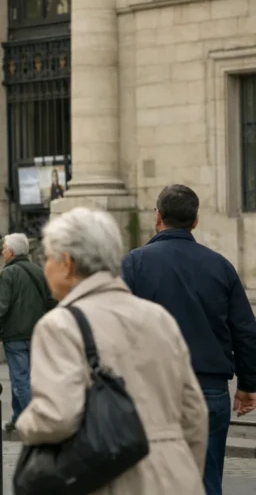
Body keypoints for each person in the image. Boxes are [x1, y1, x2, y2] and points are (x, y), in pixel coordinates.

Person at [17, 207, 208, 494]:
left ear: (67, 263)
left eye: (48, 258)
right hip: (177, 478)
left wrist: (25, 424)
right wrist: (181, 467)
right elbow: (194, 412)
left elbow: (58, 416)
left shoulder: (60, 324)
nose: (45, 268)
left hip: (114, 479)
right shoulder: (158, 317)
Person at [122, 184, 256, 495]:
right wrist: (248, 385)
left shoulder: (135, 263)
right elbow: (246, 331)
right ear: (195, 221)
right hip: (209, 388)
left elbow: (117, 326)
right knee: (207, 480)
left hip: (152, 387)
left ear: (158, 217)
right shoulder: (221, 266)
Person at [0, 233, 56, 433]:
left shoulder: (8, 274)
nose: (2, 251)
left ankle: (32, 421)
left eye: (4, 247)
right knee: (23, 377)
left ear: (12, 252)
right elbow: (52, 301)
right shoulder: (39, 271)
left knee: (20, 379)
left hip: (15, 335)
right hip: (37, 333)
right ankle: (17, 417)